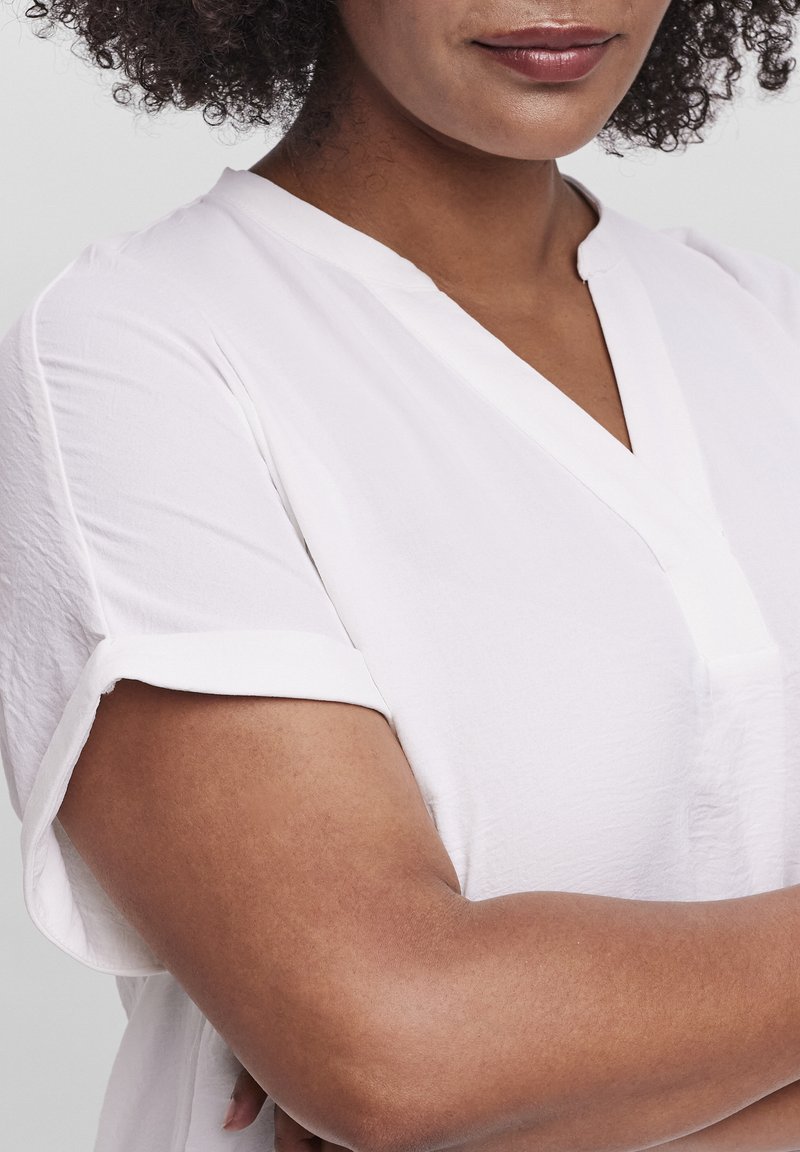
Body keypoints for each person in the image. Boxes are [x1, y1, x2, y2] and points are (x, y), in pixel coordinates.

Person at [4, 0, 800, 1149]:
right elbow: (390, 1045)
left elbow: (421, 1074)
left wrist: (514, 1090)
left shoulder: (766, 327)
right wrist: (425, 1048)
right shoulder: (135, 355)